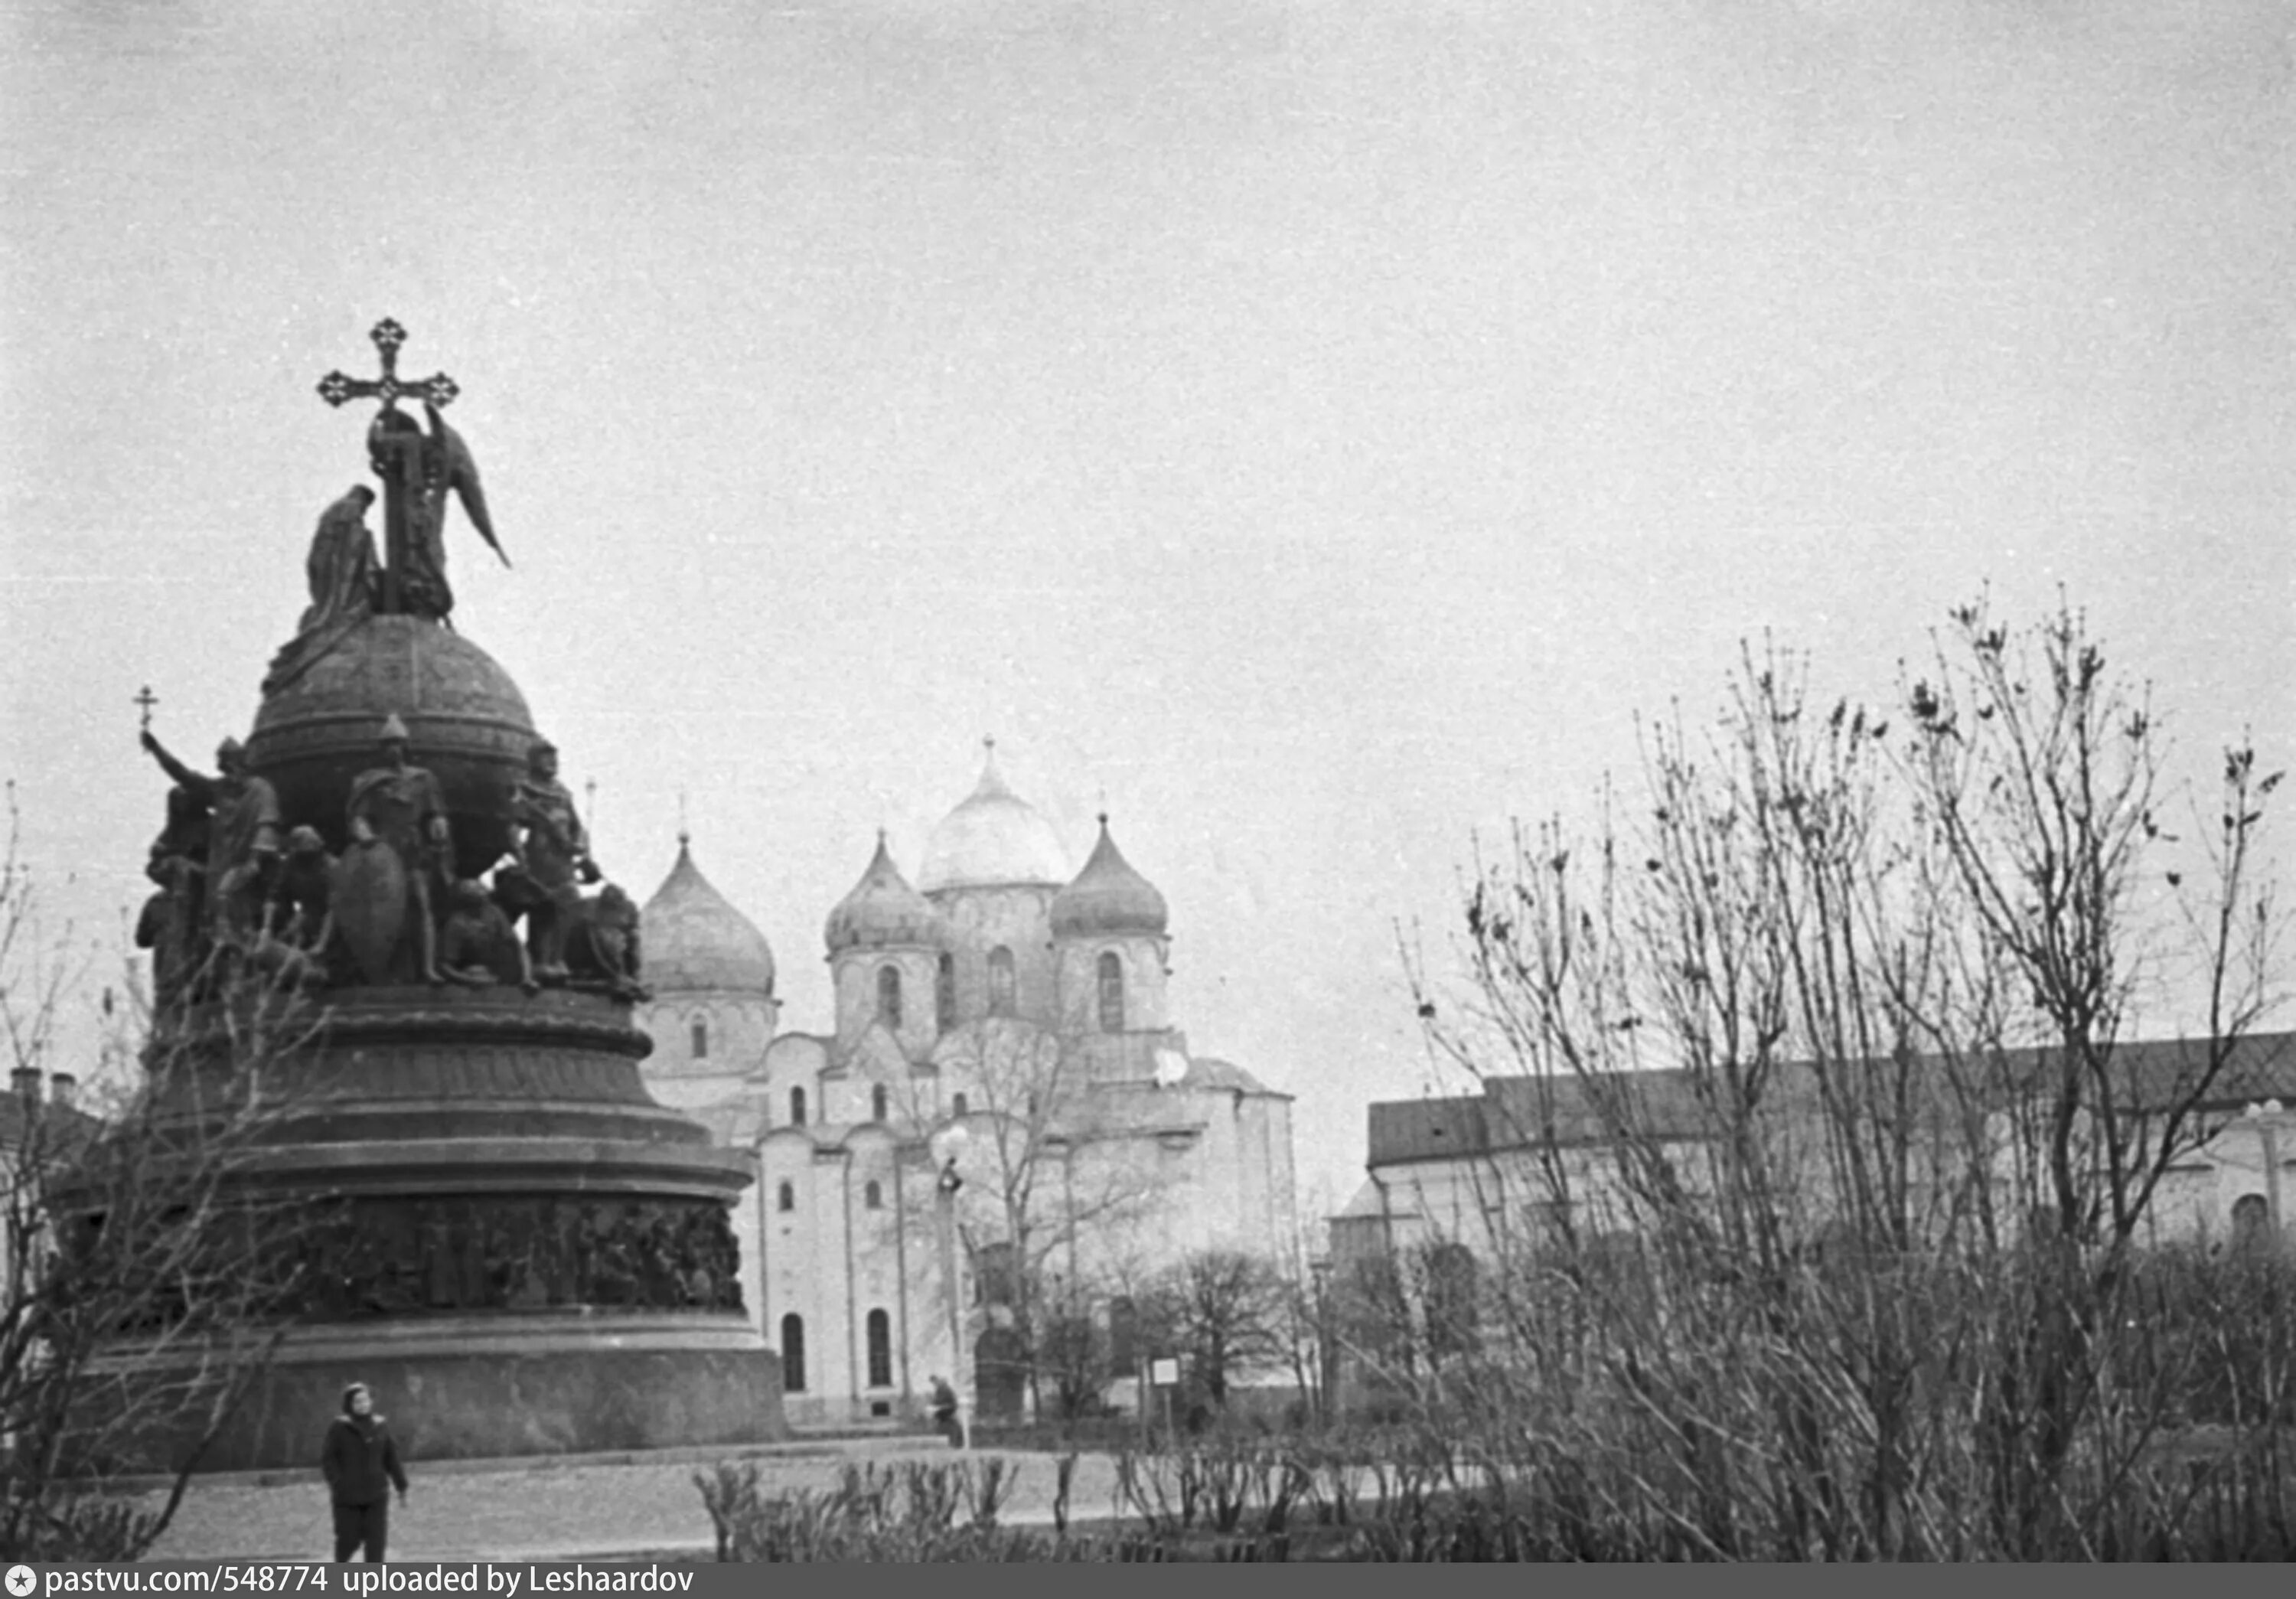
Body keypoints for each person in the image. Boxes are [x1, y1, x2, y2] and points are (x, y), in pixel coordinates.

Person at [345, 714, 452, 983]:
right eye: (388, 745)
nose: (394, 749)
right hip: (384, 851)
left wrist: (439, 830)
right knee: (385, 910)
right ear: (382, 750)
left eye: (398, 744)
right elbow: (359, 816)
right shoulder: (370, 782)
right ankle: (383, 969)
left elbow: (435, 812)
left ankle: (428, 967)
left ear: (406, 747)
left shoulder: (423, 779)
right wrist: (365, 836)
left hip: (413, 849)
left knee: (421, 904)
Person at [321, 1382, 408, 1562]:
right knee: (348, 1540)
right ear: (349, 1405)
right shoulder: (339, 1427)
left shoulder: (380, 1425)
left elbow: (391, 1458)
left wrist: (401, 1485)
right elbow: (328, 1459)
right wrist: (338, 1483)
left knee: (376, 1543)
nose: (363, 1405)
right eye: (358, 1402)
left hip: (376, 1493)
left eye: (366, 1400)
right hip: (348, 1496)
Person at [928, 1374, 960, 1449]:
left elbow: (952, 1405)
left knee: (948, 1436)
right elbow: (936, 1402)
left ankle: (952, 1446)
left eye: (936, 1382)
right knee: (941, 1437)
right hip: (941, 1417)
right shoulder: (939, 1391)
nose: (935, 1384)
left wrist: (939, 1408)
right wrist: (933, 1408)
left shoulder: (947, 1391)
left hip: (947, 1417)